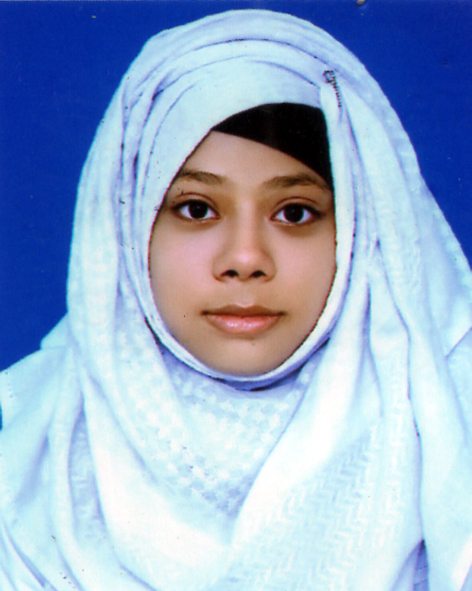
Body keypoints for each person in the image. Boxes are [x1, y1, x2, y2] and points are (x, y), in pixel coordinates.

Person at [0, 9, 471, 591]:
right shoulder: (26, 465)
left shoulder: (453, 434)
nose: (245, 258)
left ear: (360, 234)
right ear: (127, 229)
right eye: (197, 209)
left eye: (294, 213)